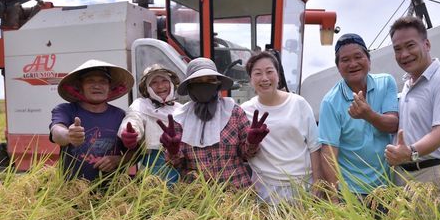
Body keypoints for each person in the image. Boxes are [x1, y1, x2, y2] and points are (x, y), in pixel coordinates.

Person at [157, 58, 269, 189]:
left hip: (236, 194)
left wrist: (252, 142)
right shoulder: (180, 119)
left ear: (218, 84)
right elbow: (175, 164)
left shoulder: (233, 112)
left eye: (210, 80)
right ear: (190, 87)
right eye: (198, 82)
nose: (204, 86)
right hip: (196, 198)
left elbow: (247, 155)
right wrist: (172, 151)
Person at [384, 16, 440, 199]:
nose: (404, 54)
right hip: (403, 175)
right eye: (398, 49)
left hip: (431, 175)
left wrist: (410, 152)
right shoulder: (408, 84)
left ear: (426, 44)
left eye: (410, 45)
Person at [318, 33, 399, 201]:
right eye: (345, 60)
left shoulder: (386, 83)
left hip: (386, 187)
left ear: (369, 61)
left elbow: (392, 124)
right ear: (338, 67)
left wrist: (367, 115)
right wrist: (335, 200)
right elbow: (329, 153)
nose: (353, 64)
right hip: (350, 191)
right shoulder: (330, 102)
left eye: (358, 57)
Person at [241, 51, 321, 204]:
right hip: (265, 189)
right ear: (250, 80)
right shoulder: (245, 110)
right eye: (257, 73)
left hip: (303, 186)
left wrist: (318, 184)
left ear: (278, 75)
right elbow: (243, 151)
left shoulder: (298, 103)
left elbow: (314, 147)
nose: (264, 78)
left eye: (269, 72)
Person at [49, 59, 134, 182]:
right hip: (71, 193)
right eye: (90, 81)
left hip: (112, 194)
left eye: (103, 81)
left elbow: (135, 152)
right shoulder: (66, 110)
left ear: (110, 88)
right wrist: (69, 135)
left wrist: (118, 160)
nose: (97, 86)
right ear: (80, 87)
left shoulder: (121, 115)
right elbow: (57, 132)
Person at [117, 64, 182, 184]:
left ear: (171, 84)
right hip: (152, 166)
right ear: (147, 87)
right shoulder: (141, 105)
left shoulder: (182, 109)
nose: (161, 86)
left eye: (164, 81)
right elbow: (133, 119)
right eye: (154, 82)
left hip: (181, 164)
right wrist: (129, 133)